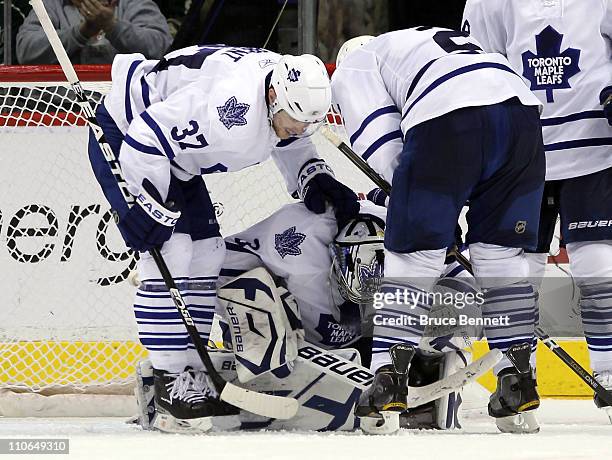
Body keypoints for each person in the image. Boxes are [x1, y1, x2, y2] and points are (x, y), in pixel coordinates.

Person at [88, 44, 359, 431]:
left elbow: (291, 135)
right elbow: (148, 135)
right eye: (294, 119)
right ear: (271, 95)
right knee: (171, 249)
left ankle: (194, 373)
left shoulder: (283, 94)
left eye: (306, 123)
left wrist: (314, 176)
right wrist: (149, 204)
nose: (299, 128)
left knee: (209, 251)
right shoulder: (232, 111)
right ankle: (168, 382)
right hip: (126, 135)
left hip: (173, 157)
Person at [331, 30, 546, 433]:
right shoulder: (415, 44)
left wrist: (425, 220)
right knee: (499, 256)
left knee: (413, 257)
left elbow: (386, 156)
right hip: (520, 113)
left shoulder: (354, 65)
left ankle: (387, 379)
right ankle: (518, 379)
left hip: (451, 116)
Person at [461, 0, 612, 422]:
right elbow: (475, 64)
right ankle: (515, 377)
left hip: (595, 142)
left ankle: (610, 371)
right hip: (522, 148)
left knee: (597, 261)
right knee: (516, 269)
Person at [16, 0, 172, 64]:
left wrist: (112, 26)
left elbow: (163, 48)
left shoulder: (134, 3)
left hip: (126, 108)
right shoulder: (50, 5)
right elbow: (26, 52)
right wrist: (80, 33)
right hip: (57, 108)